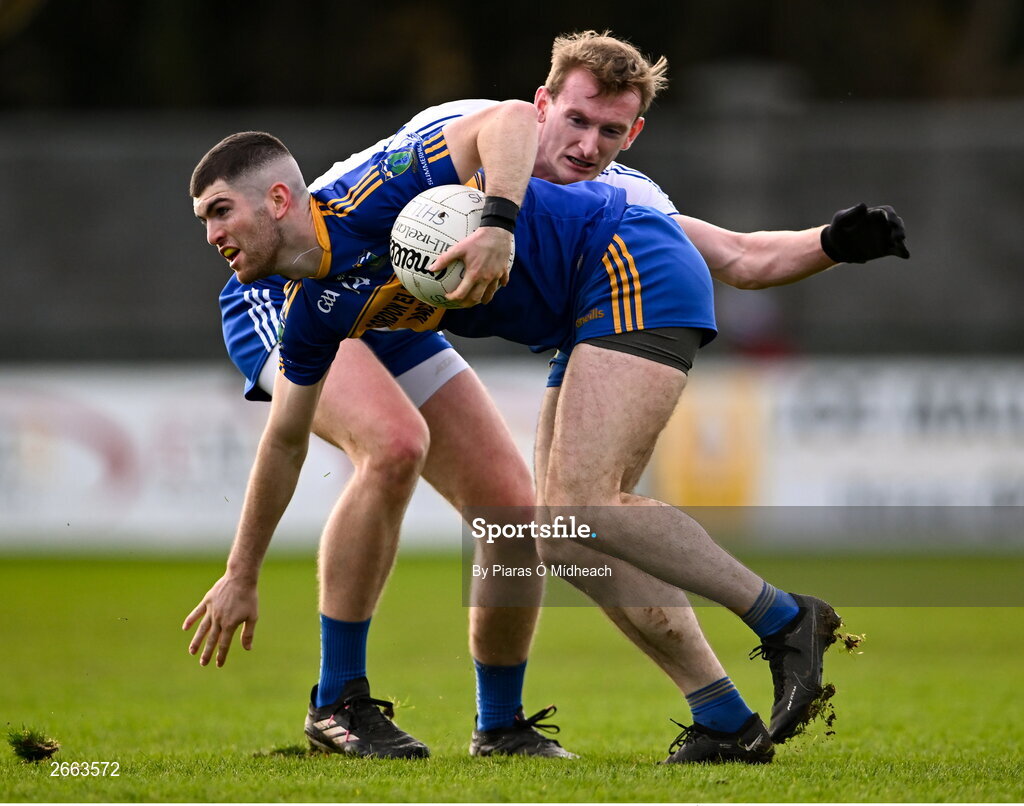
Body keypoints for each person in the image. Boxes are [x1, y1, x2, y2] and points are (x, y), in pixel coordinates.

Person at [185, 62, 905, 763]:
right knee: (408, 448)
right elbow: (284, 436)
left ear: (633, 138)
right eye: (577, 121)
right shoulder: (453, 145)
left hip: (510, 298)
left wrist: (833, 243)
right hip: (292, 283)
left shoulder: (616, 192)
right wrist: (241, 570)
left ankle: (513, 723)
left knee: (535, 515)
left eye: (612, 133)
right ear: (541, 107)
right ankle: (339, 699)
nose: (589, 146)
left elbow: (741, 256)